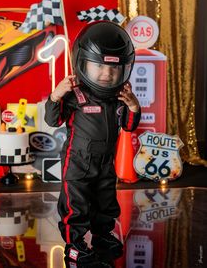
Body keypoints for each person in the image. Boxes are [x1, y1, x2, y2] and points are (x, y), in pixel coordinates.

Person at [45, 21, 141, 264]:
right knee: (76, 205)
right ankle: (74, 245)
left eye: (113, 69)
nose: (106, 74)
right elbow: (53, 120)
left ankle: (102, 234)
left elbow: (129, 126)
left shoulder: (119, 97)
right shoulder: (75, 94)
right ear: (83, 62)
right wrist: (56, 95)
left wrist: (133, 106)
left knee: (105, 201)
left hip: (105, 163)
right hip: (78, 163)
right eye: (98, 66)